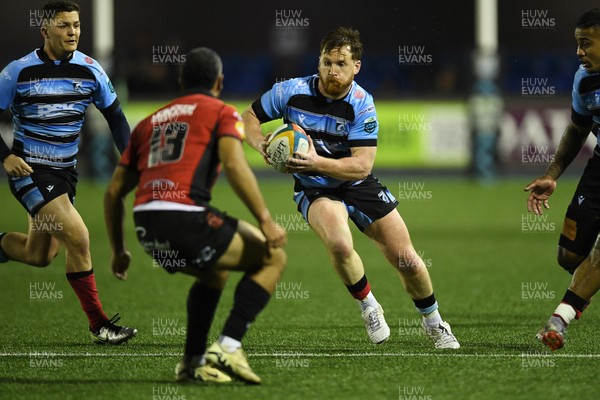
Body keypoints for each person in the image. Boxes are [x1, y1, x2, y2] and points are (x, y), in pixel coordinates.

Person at [242, 27, 459, 349]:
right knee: (340, 245)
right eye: (327, 62)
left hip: (356, 182)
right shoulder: (289, 91)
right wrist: (260, 143)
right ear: (318, 61)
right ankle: (369, 306)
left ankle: (434, 322)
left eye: (341, 63)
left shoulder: (361, 104)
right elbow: (248, 116)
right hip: (315, 188)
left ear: (356, 66)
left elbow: (361, 166)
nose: (332, 70)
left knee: (407, 259)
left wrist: (314, 160)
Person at [104, 47, 287, 384]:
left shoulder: (149, 121)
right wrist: (265, 219)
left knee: (214, 274)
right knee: (272, 257)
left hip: (147, 228)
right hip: (185, 219)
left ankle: (192, 363)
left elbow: (114, 192)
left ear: (180, 81)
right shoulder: (222, 112)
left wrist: (119, 251)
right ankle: (229, 346)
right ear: (219, 81)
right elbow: (234, 164)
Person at [0, 0, 136, 344]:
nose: (72, 31)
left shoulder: (90, 70)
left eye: (76, 25)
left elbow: (117, 120)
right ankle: (99, 325)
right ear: (45, 30)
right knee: (79, 236)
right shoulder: (18, 71)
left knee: (40, 255)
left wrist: (136, 161)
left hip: (65, 174)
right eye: (64, 25)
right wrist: (4, 158)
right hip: (31, 171)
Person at [525, 8, 600, 351]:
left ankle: (560, 318)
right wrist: (552, 174)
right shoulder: (584, 79)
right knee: (569, 256)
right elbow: (579, 127)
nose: (578, 51)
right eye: (577, 43)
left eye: (586, 43)